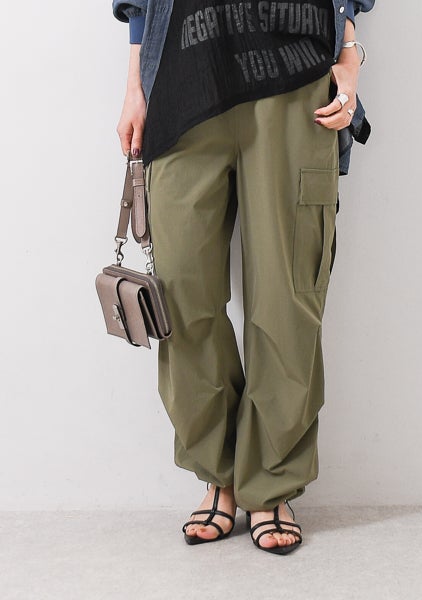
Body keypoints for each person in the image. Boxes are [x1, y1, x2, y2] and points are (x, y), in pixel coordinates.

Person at [112, 0, 375, 555]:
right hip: (184, 79)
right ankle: (219, 475)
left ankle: (271, 484)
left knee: (288, 296)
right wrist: (135, 85)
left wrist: (349, 55)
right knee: (181, 299)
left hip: (297, 84)